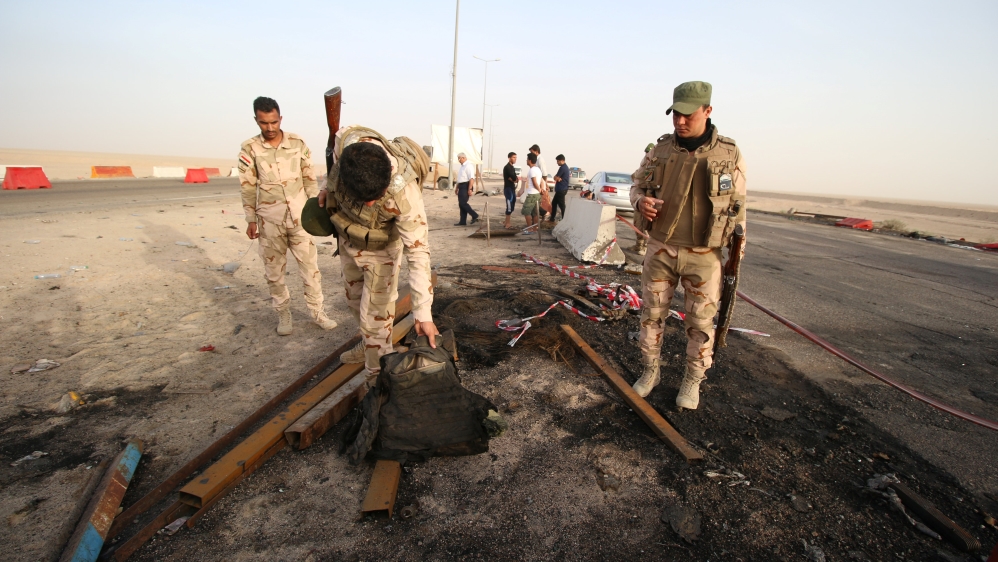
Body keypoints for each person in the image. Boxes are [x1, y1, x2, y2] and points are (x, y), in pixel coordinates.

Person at [629, 81, 747, 410]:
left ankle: (693, 380)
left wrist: (737, 255)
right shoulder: (660, 150)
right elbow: (636, 186)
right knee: (651, 315)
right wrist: (639, 202)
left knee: (701, 323)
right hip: (660, 248)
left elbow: (739, 207)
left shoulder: (729, 153)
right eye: (675, 115)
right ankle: (650, 371)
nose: (680, 122)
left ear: (707, 111)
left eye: (688, 115)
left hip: (704, 255)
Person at [316, 126, 438, 380]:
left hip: (382, 250)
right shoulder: (343, 141)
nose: (371, 204)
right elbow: (333, 168)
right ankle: (370, 343)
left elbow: (418, 254)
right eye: (364, 199)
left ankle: (377, 380)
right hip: (349, 238)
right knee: (354, 301)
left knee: (375, 318)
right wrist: (326, 189)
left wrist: (423, 313)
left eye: (377, 196)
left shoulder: (405, 194)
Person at [239, 96, 337, 336]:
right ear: (256, 120)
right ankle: (283, 313)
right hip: (269, 220)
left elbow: (309, 178)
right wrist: (250, 219)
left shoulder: (297, 143)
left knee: (310, 269)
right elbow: (248, 187)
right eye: (264, 123)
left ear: (280, 118)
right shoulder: (250, 148)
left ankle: (317, 312)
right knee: (274, 273)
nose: (270, 128)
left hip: (300, 218)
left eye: (273, 122)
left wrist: (316, 209)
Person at [627, 143, 656, 255]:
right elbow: (636, 178)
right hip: (642, 199)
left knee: (648, 225)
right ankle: (639, 244)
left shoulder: (659, 163)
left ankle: (645, 247)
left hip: (652, 200)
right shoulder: (645, 163)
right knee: (638, 223)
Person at [517, 153, 545, 231]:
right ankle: (535, 228)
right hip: (537, 194)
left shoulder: (532, 170)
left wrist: (539, 189)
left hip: (532, 194)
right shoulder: (538, 170)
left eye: (527, 159)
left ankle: (529, 228)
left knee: (526, 211)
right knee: (535, 212)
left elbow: (534, 182)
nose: (526, 161)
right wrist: (541, 190)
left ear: (529, 160)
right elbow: (541, 181)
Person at [453, 152, 479, 226]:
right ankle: (462, 221)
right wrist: (457, 188)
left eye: (459, 158)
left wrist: (470, 189)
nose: (459, 160)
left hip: (466, 185)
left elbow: (471, 178)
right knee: (461, 204)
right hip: (461, 185)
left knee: (463, 203)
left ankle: (475, 215)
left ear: (463, 158)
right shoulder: (462, 167)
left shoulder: (468, 166)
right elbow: (460, 179)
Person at [528, 144, 549, 222]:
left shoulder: (540, 160)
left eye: (532, 152)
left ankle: (543, 214)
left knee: (535, 204)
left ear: (536, 152)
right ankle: (537, 220)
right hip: (537, 185)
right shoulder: (536, 160)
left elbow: (544, 174)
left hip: (539, 185)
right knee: (535, 204)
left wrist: (544, 185)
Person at [551, 154, 570, 222]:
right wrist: (556, 178)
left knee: (562, 205)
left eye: (558, 161)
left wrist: (557, 178)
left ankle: (565, 219)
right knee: (554, 203)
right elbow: (555, 177)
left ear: (562, 160)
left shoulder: (562, 168)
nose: (557, 163)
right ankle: (552, 218)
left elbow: (555, 178)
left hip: (561, 189)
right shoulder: (565, 167)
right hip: (561, 189)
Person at [502, 152, 518, 229]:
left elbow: (516, 179)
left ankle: (506, 222)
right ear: (509, 158)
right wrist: (514, 179)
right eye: (513, 157)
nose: (515, 159)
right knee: (509, 206)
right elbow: (514, 178)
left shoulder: (512, 167)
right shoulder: (507, 167)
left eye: (516, 157)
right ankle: (507, 224)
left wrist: (514, 180)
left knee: (512, 206)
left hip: (512, 188)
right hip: (508, 188)